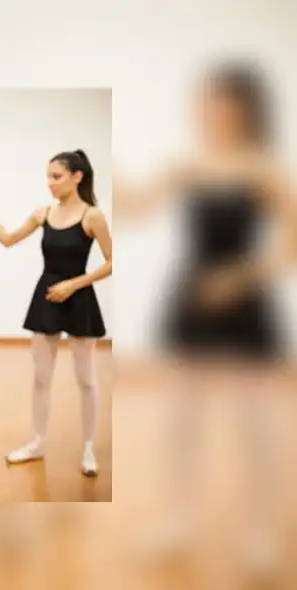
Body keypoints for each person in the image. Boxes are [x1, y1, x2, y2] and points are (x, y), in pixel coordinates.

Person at [117, 60, 293, 571]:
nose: (210, 112)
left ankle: (261, 534)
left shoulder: (264, 168)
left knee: (254, 426)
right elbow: (133, 206)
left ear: (245, 108)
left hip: (246, 302)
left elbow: (292, 243)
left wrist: (241, 278)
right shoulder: (188, 164)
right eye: (206, 101)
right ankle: (178, 521)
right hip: (192, 299)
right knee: (180, 422)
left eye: (220, 102)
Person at [0, 148, 112, 477]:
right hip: (46, 296)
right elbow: (8, 239)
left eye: (56, 176)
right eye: (48, 177)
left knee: (86, 379)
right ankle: (38, 441)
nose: (50, 183)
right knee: (41, 378)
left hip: (78, 296)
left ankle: (87, 449)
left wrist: (75, 285)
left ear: (76, 177)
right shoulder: (43, 213)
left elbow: (113, 261)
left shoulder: (92, 216)